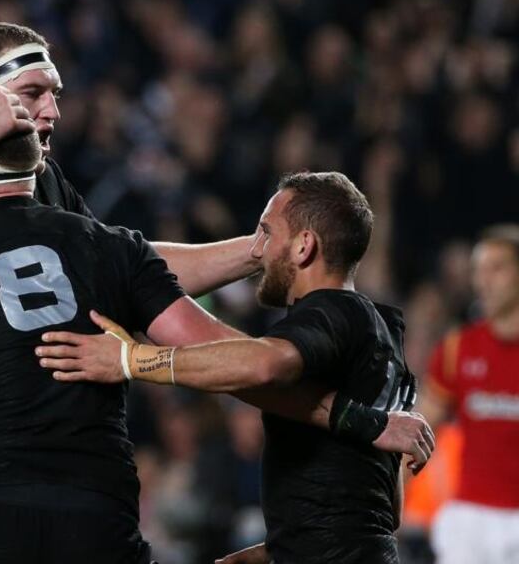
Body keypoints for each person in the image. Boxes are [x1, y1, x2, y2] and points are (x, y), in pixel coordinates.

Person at [0, 21, 262, 563]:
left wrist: (255, 251)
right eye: (34, 92)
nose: (53, 110)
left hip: (60, 478)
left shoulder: (51, 185)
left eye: (55, 93)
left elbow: (130, 266)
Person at [43, 172, 435, 563]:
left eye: (266, 232)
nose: (258, 250)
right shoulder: (383, 335)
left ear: (304, 246)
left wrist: (130, 359)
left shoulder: (332, 310)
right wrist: (279, 550)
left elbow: (266, 364)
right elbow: (386, 508)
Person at [419, 224, 519, 564]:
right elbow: (416, 433)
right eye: (479, 270)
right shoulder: (457, 349)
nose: (483, 280)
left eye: (496, 268)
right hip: (470, 522)